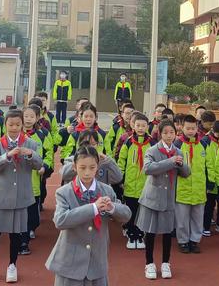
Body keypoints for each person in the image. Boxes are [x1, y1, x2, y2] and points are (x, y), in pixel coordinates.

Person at [45, 145, 131, 286]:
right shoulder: (64, 192)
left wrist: (112, 208)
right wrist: (93, 208)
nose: (87, 172)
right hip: (70, 264)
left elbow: (126, 215)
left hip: (97, 262)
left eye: (92, 167)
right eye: (82, 167)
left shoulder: (106, 190)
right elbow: (60, 221)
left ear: (98, 167)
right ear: (74, 167)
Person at [0, 109, 43, 283]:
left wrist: (30, 154)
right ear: (5, 125)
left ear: (22, 124)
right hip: (0, 196)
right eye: (11, 124)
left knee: (16, 234)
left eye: (17, 124)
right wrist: (6, 156)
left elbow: (39, 165)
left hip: (21, 197)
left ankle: (12, 265)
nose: (14, 128)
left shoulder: (30, 143)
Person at [136, 119, 191, 280]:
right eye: (165, 132)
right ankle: (149, 263)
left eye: (171, 132)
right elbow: (148, 169)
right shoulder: (152, 150)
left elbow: (186, 173)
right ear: (160, 133)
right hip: (152, 198)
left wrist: (181, 164)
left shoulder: (179, 152)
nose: (168, 136)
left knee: (167, 232)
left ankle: (166, 263)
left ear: (176, 133)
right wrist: (170, 161)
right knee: (151, 232)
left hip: (168, 199)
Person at [19, 104, 54, 255]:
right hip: (17, 179)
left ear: (38, 118)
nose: (28, 119)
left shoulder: (43, 134)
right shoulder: (15, 133)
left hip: (34, 179)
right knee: (20, 212)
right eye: (25, 116)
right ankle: (23, 241)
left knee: (33, 214)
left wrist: (44, 166)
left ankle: (31, 227)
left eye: (31, 117)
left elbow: (49, 153)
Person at [118, 112, 155, 250]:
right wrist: (120, 177)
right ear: (133, 126)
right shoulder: (128, 142)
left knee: (142, 211)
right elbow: (121, 161)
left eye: (143, 125)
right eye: (138, 125)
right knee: (131, 210)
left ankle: (139, 234)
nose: (140, 128)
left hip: (146, 185)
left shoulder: (152, 143)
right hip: (130, 184)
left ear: (147, 127)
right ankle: (131, 233)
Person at [173, 114, 207, 254]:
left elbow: (208, 165)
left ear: (197, 128)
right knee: (182, 218)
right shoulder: (177, 144)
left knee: (198, 217)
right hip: (183, 187)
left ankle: (194, 240)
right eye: (188, 128)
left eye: (193, 128)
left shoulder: (203, 144)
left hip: (199, 188)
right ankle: (183, 241)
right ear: (182, 128)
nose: (191, 131)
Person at [202, 120, 219, 236]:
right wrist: (209, 180)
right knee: (209, 205)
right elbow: (206, 163)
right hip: (210, 179)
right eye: (218, 134)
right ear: (212, 130)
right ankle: (206, 226)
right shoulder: (205, 142)